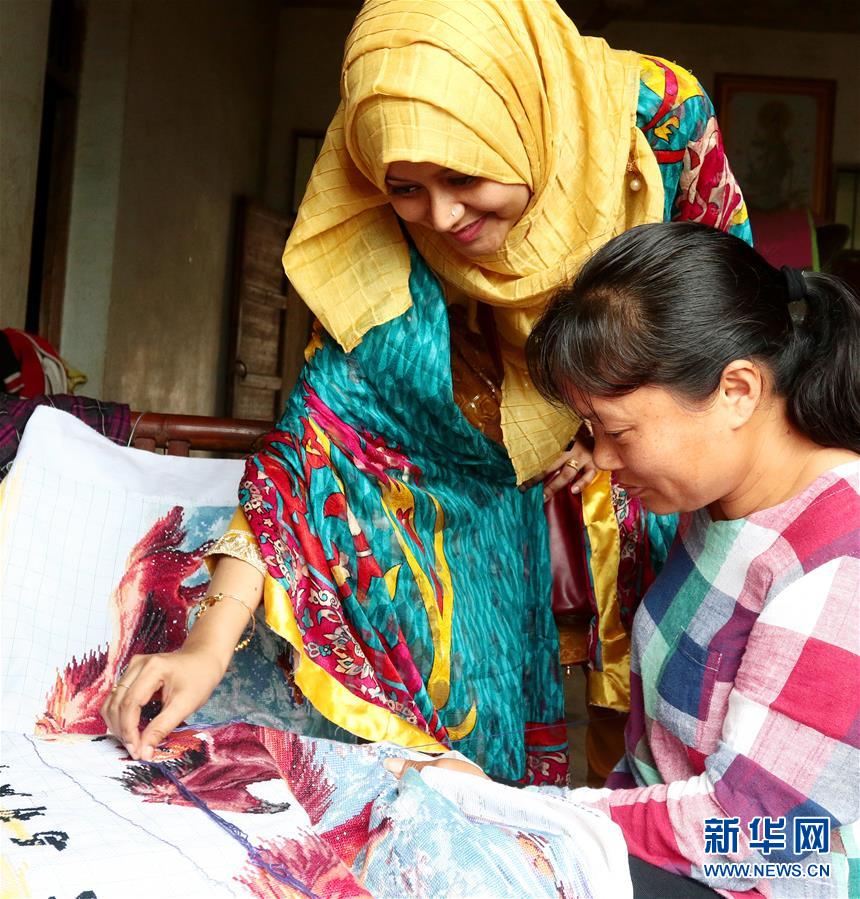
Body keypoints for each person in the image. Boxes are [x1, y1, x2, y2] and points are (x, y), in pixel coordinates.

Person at [101, 0, 751, 784]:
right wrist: (209, 640)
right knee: (477, 768)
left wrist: (599, 430)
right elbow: (321, 434)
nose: (442, 217)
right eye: (405, 187)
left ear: (524, 125)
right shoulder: (385, 225)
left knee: (682, 739)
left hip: (661, 469)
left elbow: (728, 333)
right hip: (482, 487)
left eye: (465, 175)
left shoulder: (656, 125)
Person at [387, 221, 860, 897]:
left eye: (618, 433)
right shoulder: (719, 500)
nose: (603, 462)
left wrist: (534, 813)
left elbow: (762, 832)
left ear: (737, 391)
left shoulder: (840, 557)